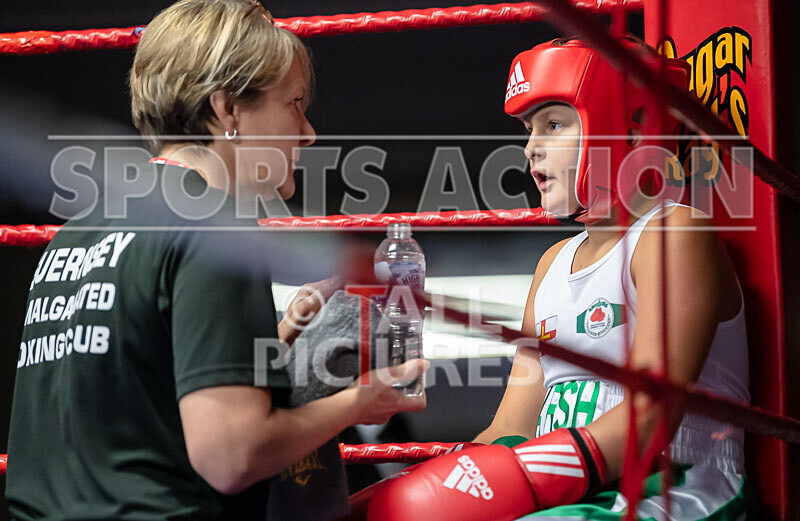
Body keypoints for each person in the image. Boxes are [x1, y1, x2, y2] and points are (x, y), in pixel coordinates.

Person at [5, 1, 425, 520]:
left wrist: (274, 338)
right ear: (227, 110)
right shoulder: (217, 229)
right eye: (294, 103)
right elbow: (230, 456)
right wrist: (363, 400)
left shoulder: (72, 236)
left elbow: (130, 410)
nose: (307, 132)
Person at [355, 38, 754, 521]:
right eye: (528, 130)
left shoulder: (672, 235)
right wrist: (433, 484)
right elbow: (511, 426)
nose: (530, 148)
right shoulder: (553, 264)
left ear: (634, 124)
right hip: (574, 492)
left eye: (555, 124)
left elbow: (650, 419)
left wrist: (517, 477)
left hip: (677, 488)